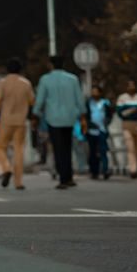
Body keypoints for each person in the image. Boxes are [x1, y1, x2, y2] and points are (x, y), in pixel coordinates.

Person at [34, 55, 84, 189]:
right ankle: (69, 177)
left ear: (50, 65)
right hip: (70, 118)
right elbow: (80, 99)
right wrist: (81, 114)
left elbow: (39, 100)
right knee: (67, 147)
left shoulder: (45, 79)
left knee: (58, 148)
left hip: (53, 118)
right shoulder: (73, 79)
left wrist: (37, 113)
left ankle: (63, 178)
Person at [0, 59, 35, 190]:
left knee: (0, 146)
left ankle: (6, 168)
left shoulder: (3, 83)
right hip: (21, 120)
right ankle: (18, 182)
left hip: (6, 120)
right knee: (19, 150)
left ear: (7, 69)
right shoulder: (26, 83)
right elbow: (32, 101)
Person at [116, 80, 137, 178]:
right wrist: (133, 110)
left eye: (133, 85)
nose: (131, 87)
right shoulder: (122, 98)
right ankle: (132, 169)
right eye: (129, 86)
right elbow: (120, 113)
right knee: (130, 147)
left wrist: (130, 111)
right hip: (127, 125)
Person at [85, 85, 114, 181]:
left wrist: (107, 122)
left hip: (102, 130)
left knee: (103, 150)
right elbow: (86, 117)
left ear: (100, 93)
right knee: (93, 152)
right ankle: (94, 171)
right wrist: (90, 125)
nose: (94, 93)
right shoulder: (88, 103)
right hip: (92, 131)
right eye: (93, 92)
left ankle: (105, 170)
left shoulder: (105, 103)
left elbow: (110, 115)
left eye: (96, 91)